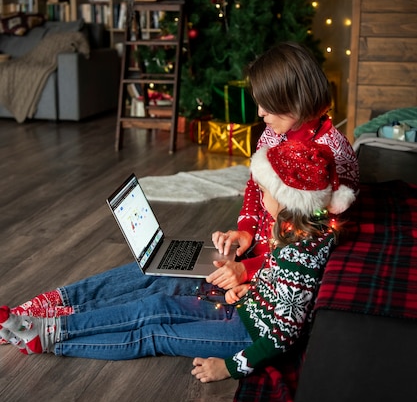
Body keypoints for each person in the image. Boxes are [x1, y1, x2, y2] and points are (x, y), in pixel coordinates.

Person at [1, 140, 343, 383]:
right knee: (157, 301)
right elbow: (278, 289)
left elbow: (281, 334)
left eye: (266, 191)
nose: (259, 197)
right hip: (243, 307)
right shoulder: (293, 233)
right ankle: (48, 324)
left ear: (286, 199)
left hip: (245, 334)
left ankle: (48, 336)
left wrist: (230, 368)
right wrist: (251, 291)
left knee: (153, 334)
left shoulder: (300, 252)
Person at [208, 41, 359, 292]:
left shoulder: (333, 155)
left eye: (268, 103)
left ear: (294, 98)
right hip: (258, 254)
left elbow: (313, 248)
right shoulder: (272, 134)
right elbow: (254, 185)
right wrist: (246, 232)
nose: (260, 112)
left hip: (280, 275)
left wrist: (251, 270)